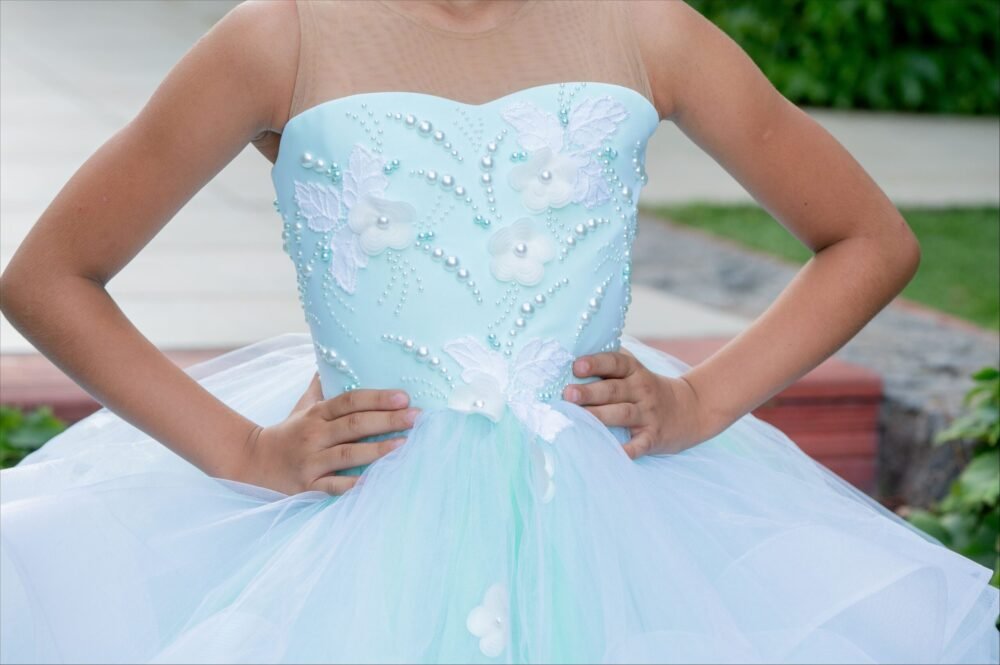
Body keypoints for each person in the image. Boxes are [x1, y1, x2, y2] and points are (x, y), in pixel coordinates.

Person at [0, 0, 997, 662]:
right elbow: (51, 276)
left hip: (610, 511)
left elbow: (866, 239)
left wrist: (701, 396)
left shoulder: (647, 29)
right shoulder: (281, 36)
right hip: (363, 522)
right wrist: (242, 446)